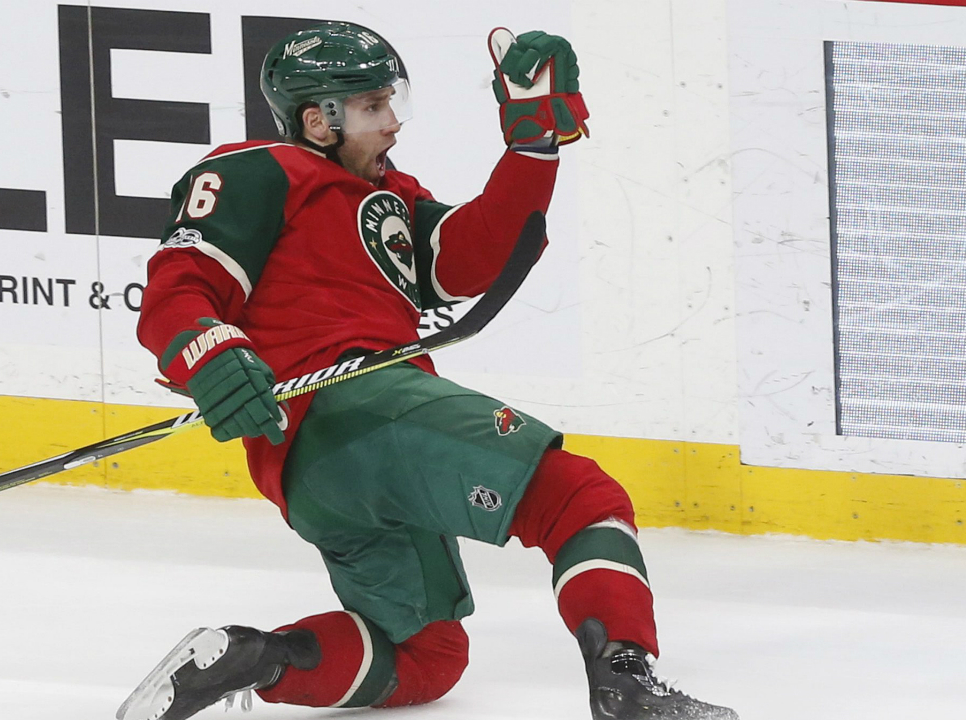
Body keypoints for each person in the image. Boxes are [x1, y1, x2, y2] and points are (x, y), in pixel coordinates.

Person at [127, 21, 737, 720]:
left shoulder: (387, 194)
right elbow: (179, 287)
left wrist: (532, 148)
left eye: (393, 102)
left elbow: (470, 259)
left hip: (312, 475)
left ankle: (252, 657)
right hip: (363, 405)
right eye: (371, 107)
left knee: (426, 658)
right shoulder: (259, 169)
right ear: (316, 119)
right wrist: (208, 350)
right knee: (576, 498)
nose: (391, 122)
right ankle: (627, 681)